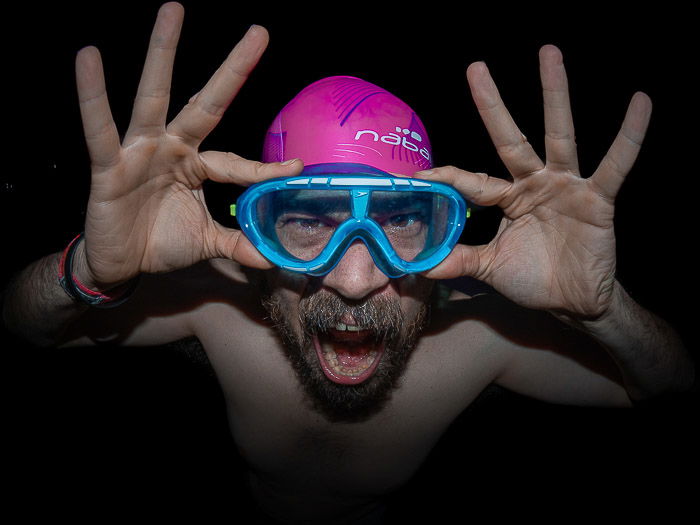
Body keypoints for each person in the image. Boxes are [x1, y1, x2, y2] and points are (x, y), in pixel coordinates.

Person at [2, 3, 695, 523]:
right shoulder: (215, 308)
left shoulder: (480, 342)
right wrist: (88, 271)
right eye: (305, 225)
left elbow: (665, 391)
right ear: (259, 233)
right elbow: (25, 330)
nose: (357, 278)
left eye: (400, 225)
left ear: (441, 233)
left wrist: (605, 310)